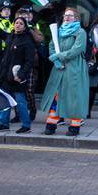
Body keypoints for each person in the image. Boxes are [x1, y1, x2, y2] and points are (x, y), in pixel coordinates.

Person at [39, 8, 89, 136]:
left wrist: (58, 56)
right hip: (59, 69)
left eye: (70, 16)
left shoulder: (80, 32)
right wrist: (55, 60)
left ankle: (74, 126)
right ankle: (51, 125)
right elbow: (51, 46)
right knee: (56, 96)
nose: (66, 17)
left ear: (76, 18)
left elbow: (77, 50)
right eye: (65, 15)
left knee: (74, 98)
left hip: (74, 69)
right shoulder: (59, 31)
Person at [0, 14, 37, 132]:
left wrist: (21, 75)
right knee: (5, 100)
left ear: (25, 27)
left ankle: (26, 126)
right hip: (6, 76)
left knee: (21, 102)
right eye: (16, 23)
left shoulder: (27, 41)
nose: (18, 25)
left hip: (17, 77)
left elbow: (29, 61)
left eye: (21, 23)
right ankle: (4, 124)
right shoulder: (10, 36)